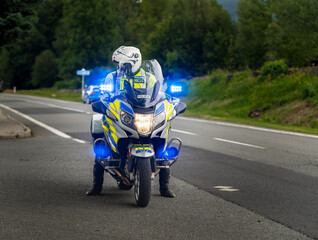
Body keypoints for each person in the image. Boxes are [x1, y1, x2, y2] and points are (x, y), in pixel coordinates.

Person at [86, 46, 175, 198]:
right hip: (122, 113)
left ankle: (164, 187)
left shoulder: (149, 77)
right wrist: (101, 98)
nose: (119, 66)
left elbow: (159, 93)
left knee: (163, 149)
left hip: (144, 113)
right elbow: (104, 94)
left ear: (134, 62)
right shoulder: (112, 77)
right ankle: (96, 185)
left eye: (122, 63)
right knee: (100, 143)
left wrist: (168, 100)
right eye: (119, 63)